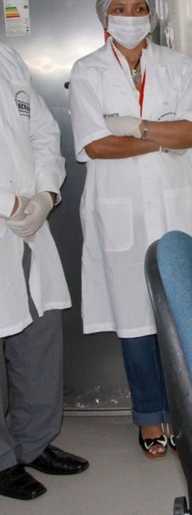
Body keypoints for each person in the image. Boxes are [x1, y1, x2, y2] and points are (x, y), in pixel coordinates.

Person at [69, 0, 192, 459]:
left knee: (182, 319)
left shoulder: (178, 66)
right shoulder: (88, 70)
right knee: (134, 321)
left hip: (177, 207)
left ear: (151, 14)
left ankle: (187, 414)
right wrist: (160, 135)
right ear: (105, 17)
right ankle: (150, 417)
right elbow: (95, 144)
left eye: (138, 9)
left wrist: (132, 126)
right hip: (121, 212)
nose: (130, 18)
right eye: (120, 9)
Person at [0, 42, 88, 500]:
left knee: (38, 336)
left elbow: (43, 133)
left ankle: (32, 443)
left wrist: (46, 195)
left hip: (29, 225)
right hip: (6, 217)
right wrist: (9, 202)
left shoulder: (8, 57)